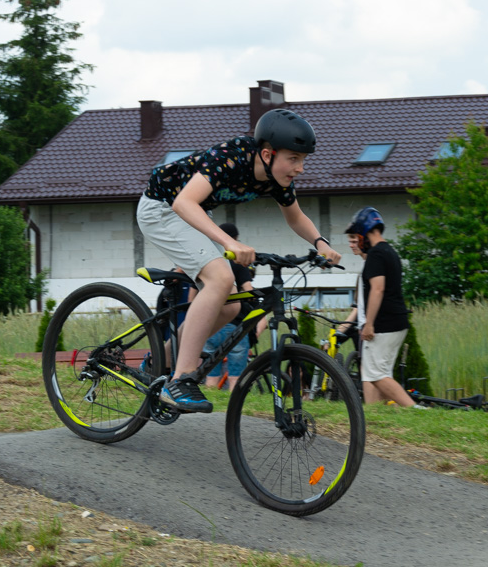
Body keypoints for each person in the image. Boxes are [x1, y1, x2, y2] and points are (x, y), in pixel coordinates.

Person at [137, 109, 341, 413]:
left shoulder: (277, 178)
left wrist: (320, 243)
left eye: (303, 160)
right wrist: (229, 241)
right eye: (294, 159)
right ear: (268, 153)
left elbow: (295, 216)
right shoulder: (229, 158)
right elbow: (183, 202)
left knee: (231, 305)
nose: (299, 168)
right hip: (163, 208)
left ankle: (159, 361)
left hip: (192, 213)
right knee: (221, 279)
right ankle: (179, 380)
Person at [344, 206, 417, 407]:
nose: (357, 240)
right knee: (375, 372)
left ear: (366, 231)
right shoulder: (390, 252)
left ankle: (417, 410)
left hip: (384, 324)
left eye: (358, 235)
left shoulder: (376, 254)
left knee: (377, 375)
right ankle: (376, 416)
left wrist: (369, 324)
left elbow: (378, 289)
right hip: (397, 321)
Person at [203, 223, 252, 391]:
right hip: (235, 325)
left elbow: (192, 298)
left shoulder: (208, 263)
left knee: (210, 375)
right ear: (236, 239)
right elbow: (248, 290)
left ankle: (212, 407)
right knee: (235, 377)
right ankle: (233, 409)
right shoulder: (237, 263)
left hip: (211, 325)